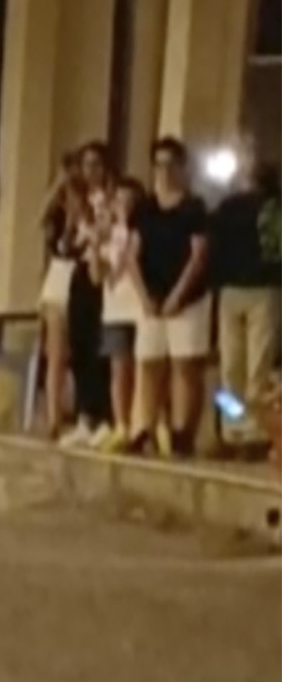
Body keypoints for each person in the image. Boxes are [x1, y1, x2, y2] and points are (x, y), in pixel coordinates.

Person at [129, 137, 210, 458]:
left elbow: (198, 256)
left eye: (170, 164)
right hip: (152, 294)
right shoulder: (144, 208)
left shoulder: (193, 207)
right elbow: (132, 254)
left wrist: (178, 295)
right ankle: (145, 427)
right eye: (158, 164)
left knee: (183, 365)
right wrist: (144, 296)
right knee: (149, 362)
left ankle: (181, 431)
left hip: (186, 298)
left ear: (181, 167)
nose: (163, 171)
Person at [210, 159, 282, 444]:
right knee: (258, 366)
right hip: (264, 288)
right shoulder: (275, 207)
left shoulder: (229, 206)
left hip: (232, 289)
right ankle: (253, 428)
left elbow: (215, 245)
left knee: (230, 365)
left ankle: (232, 429)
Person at [58, 142, 115, 448]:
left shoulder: (110, 201)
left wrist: (87, 214)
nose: (89, 171)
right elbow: (65, 247)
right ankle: (83, 416)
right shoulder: (77, 202)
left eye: (95, 164)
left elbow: (106, 235)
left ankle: (104, 416)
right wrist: (71, 219)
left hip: (104, 275)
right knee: (79, 345)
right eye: (84, 164)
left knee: (99, 348)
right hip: (80, 275)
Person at [90, 177, 148, 453]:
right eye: (119, 200)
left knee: (141, 368)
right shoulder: (108, 235)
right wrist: (95, 244)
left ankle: (141, 424)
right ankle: (121, 423)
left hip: (138, 307)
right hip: (114, 309)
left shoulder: (140, 232)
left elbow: (130, 261)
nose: (122, 206)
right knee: (118, 368)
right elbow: (95, 276)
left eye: (129, 201)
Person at [37, 149, 84, 440]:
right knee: (56, 353)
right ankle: (53, 416)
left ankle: (79, 411)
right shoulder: (56, 211)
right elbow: (39, 220)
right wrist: (58, 185)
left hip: (82, 274)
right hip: (59, 274)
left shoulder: (93, 205)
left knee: (79, 352)